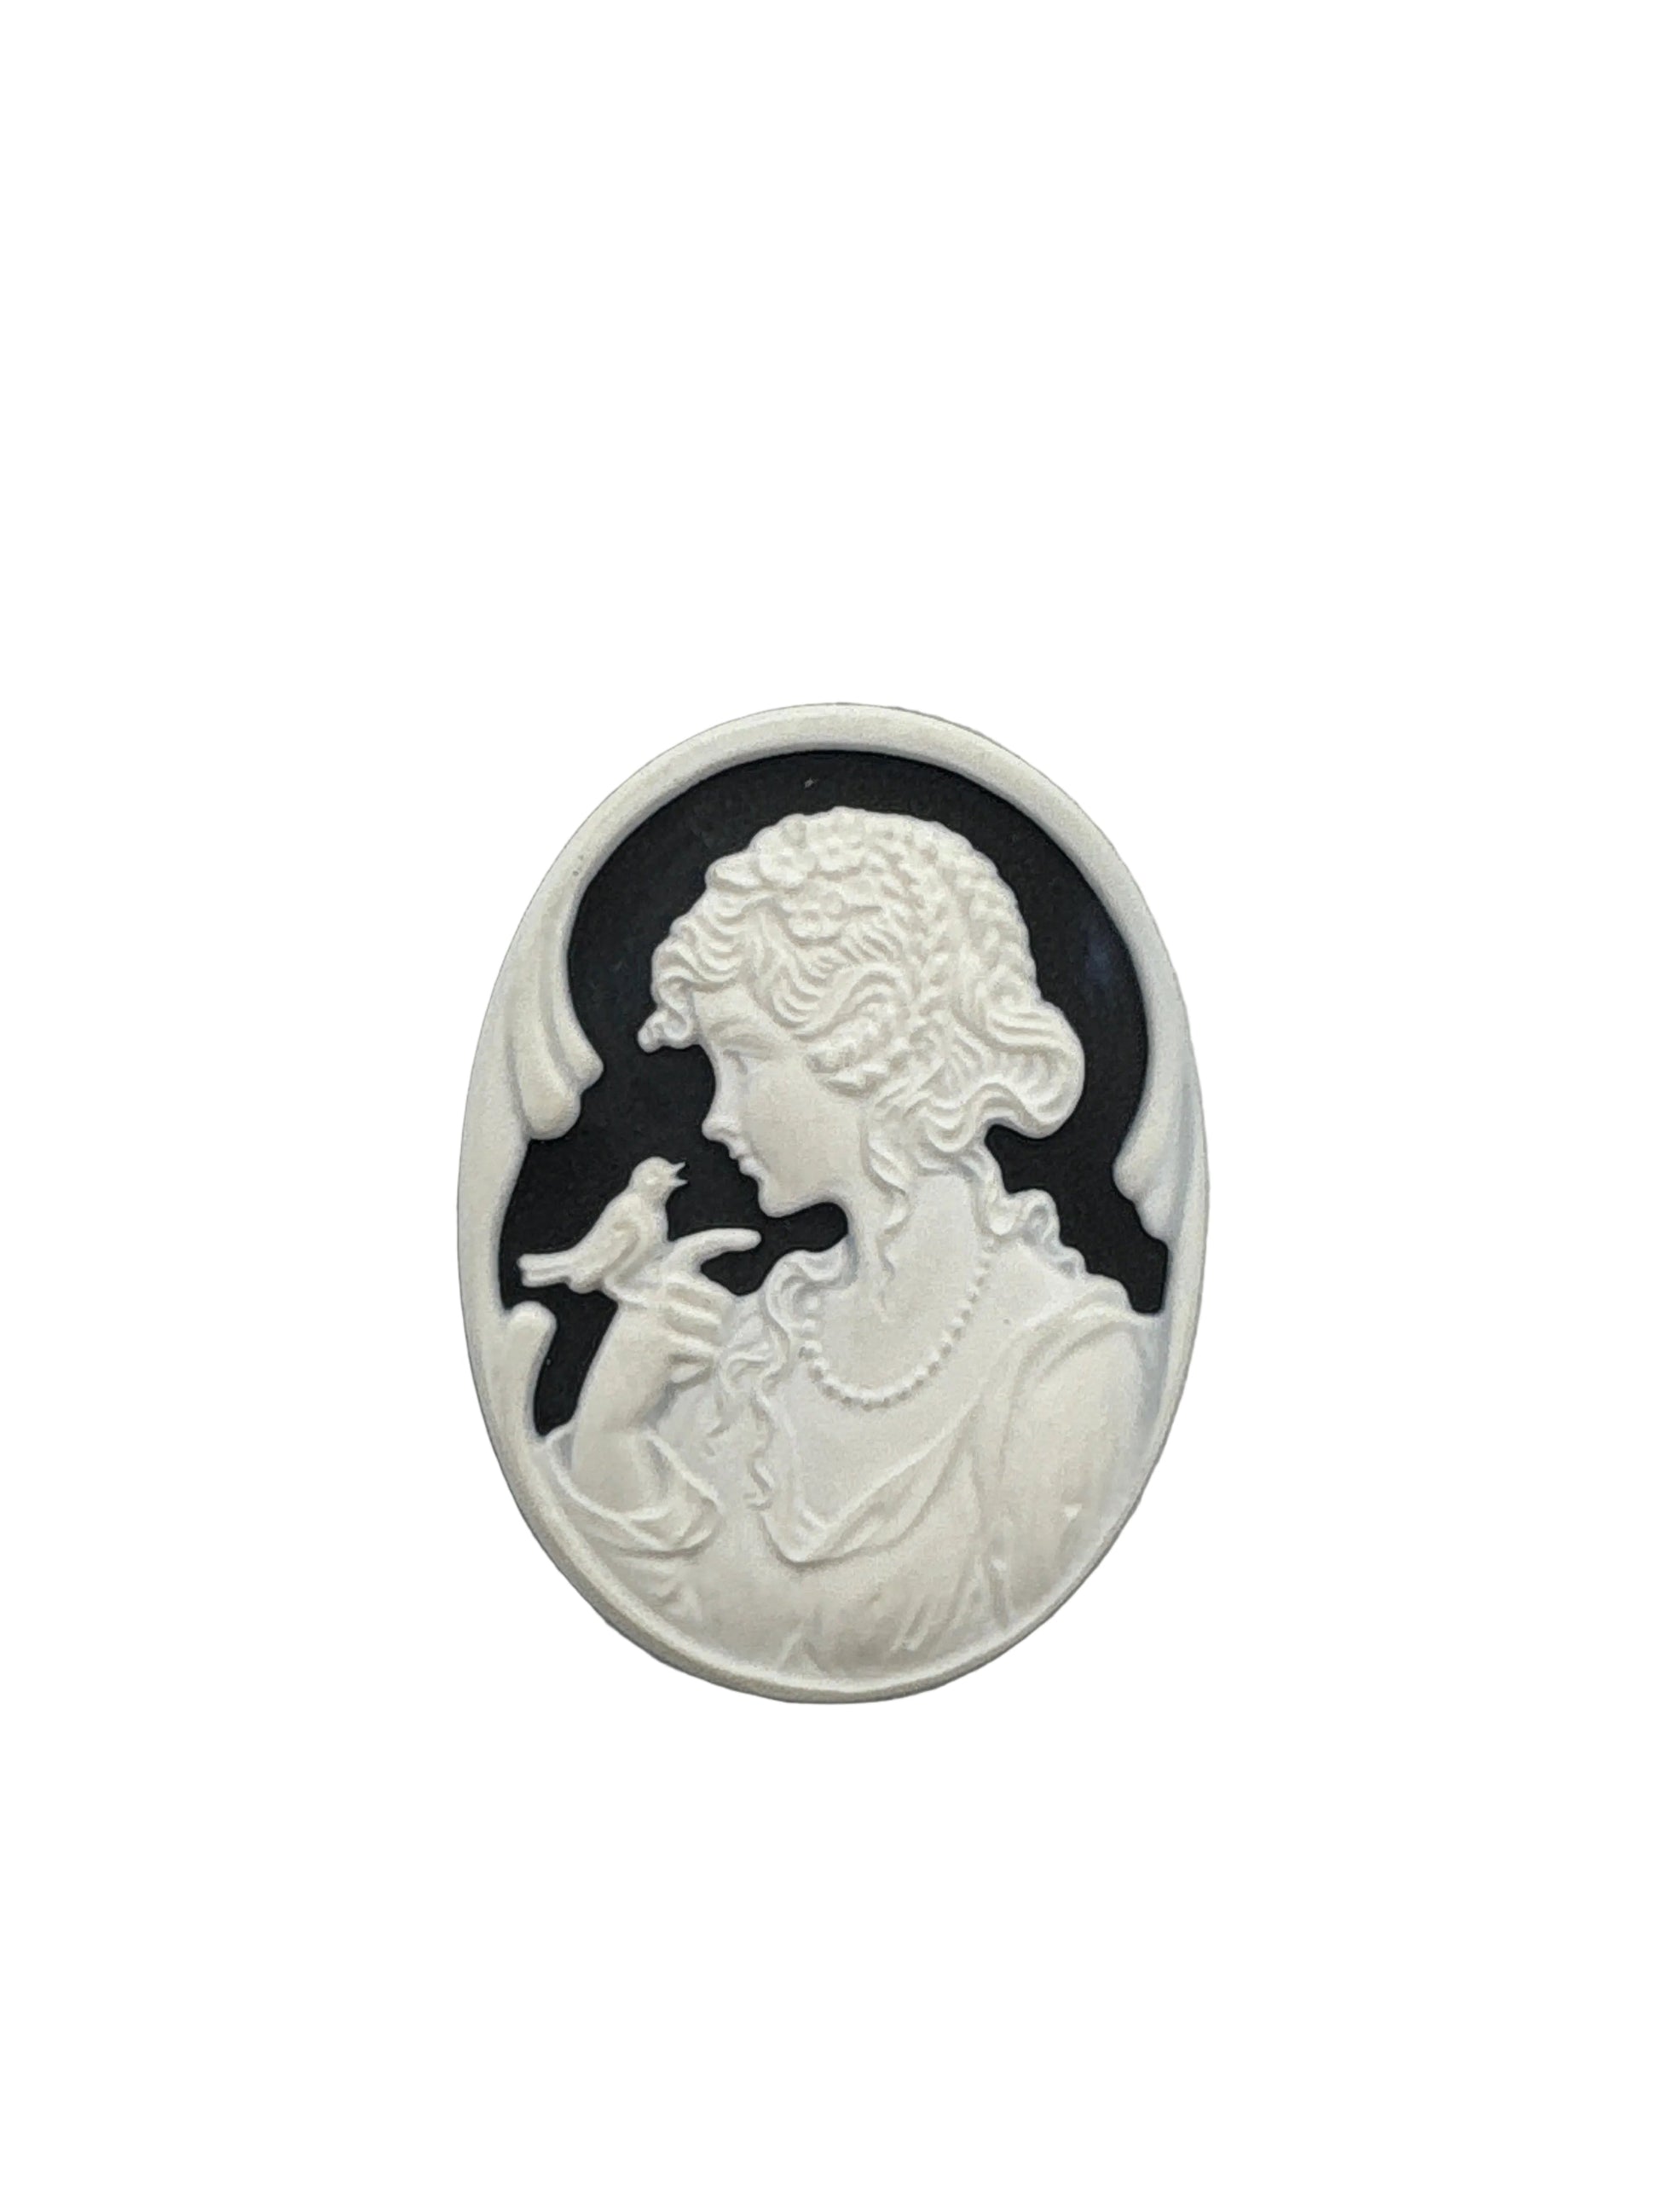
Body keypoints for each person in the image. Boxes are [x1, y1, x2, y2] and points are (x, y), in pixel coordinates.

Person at [534, 806, 1161, 1687]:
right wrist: (609, 1428)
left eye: (745, 1060)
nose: (715, 1117)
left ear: (865, 1032)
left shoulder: (1074, 1376)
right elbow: (674, 1607)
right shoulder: (758, 1348)